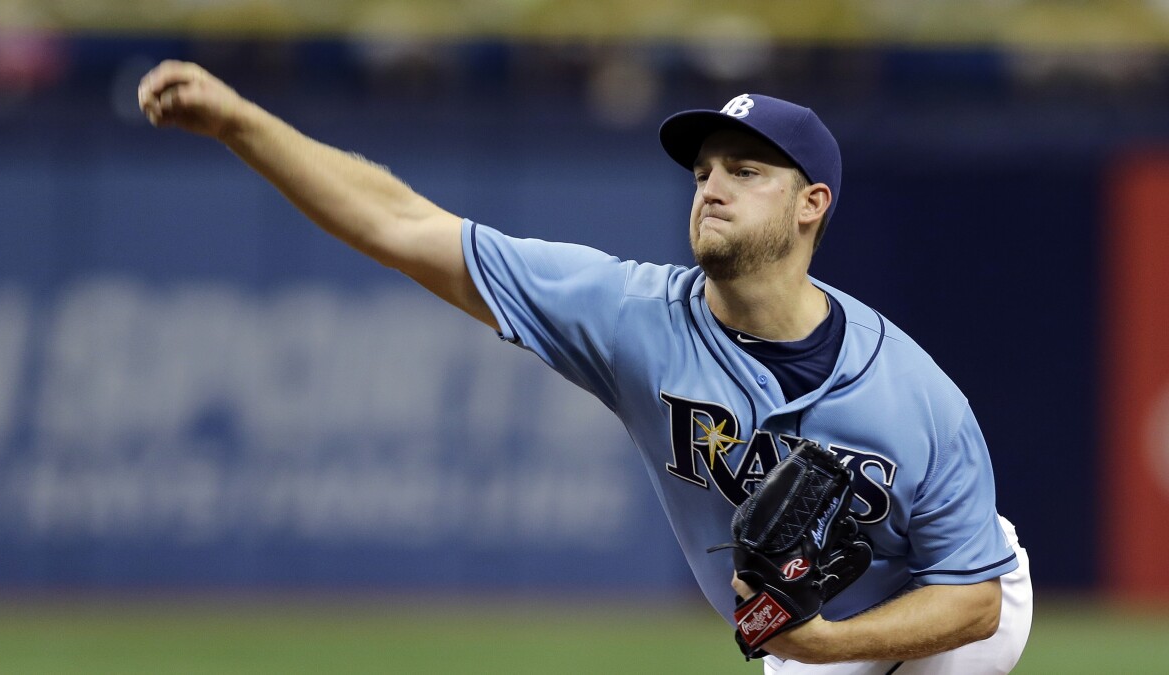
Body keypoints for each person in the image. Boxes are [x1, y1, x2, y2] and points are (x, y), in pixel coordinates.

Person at [138, 61, 1033, 674]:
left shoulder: (915, 395)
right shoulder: (629, 316)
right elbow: (401, 224)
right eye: (703, 170)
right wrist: (238, 122)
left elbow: (974, 600)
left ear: (812, 205)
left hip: (949, 601)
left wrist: (826, 642)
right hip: (810, 639)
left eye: (746, 170)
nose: (711, 184)